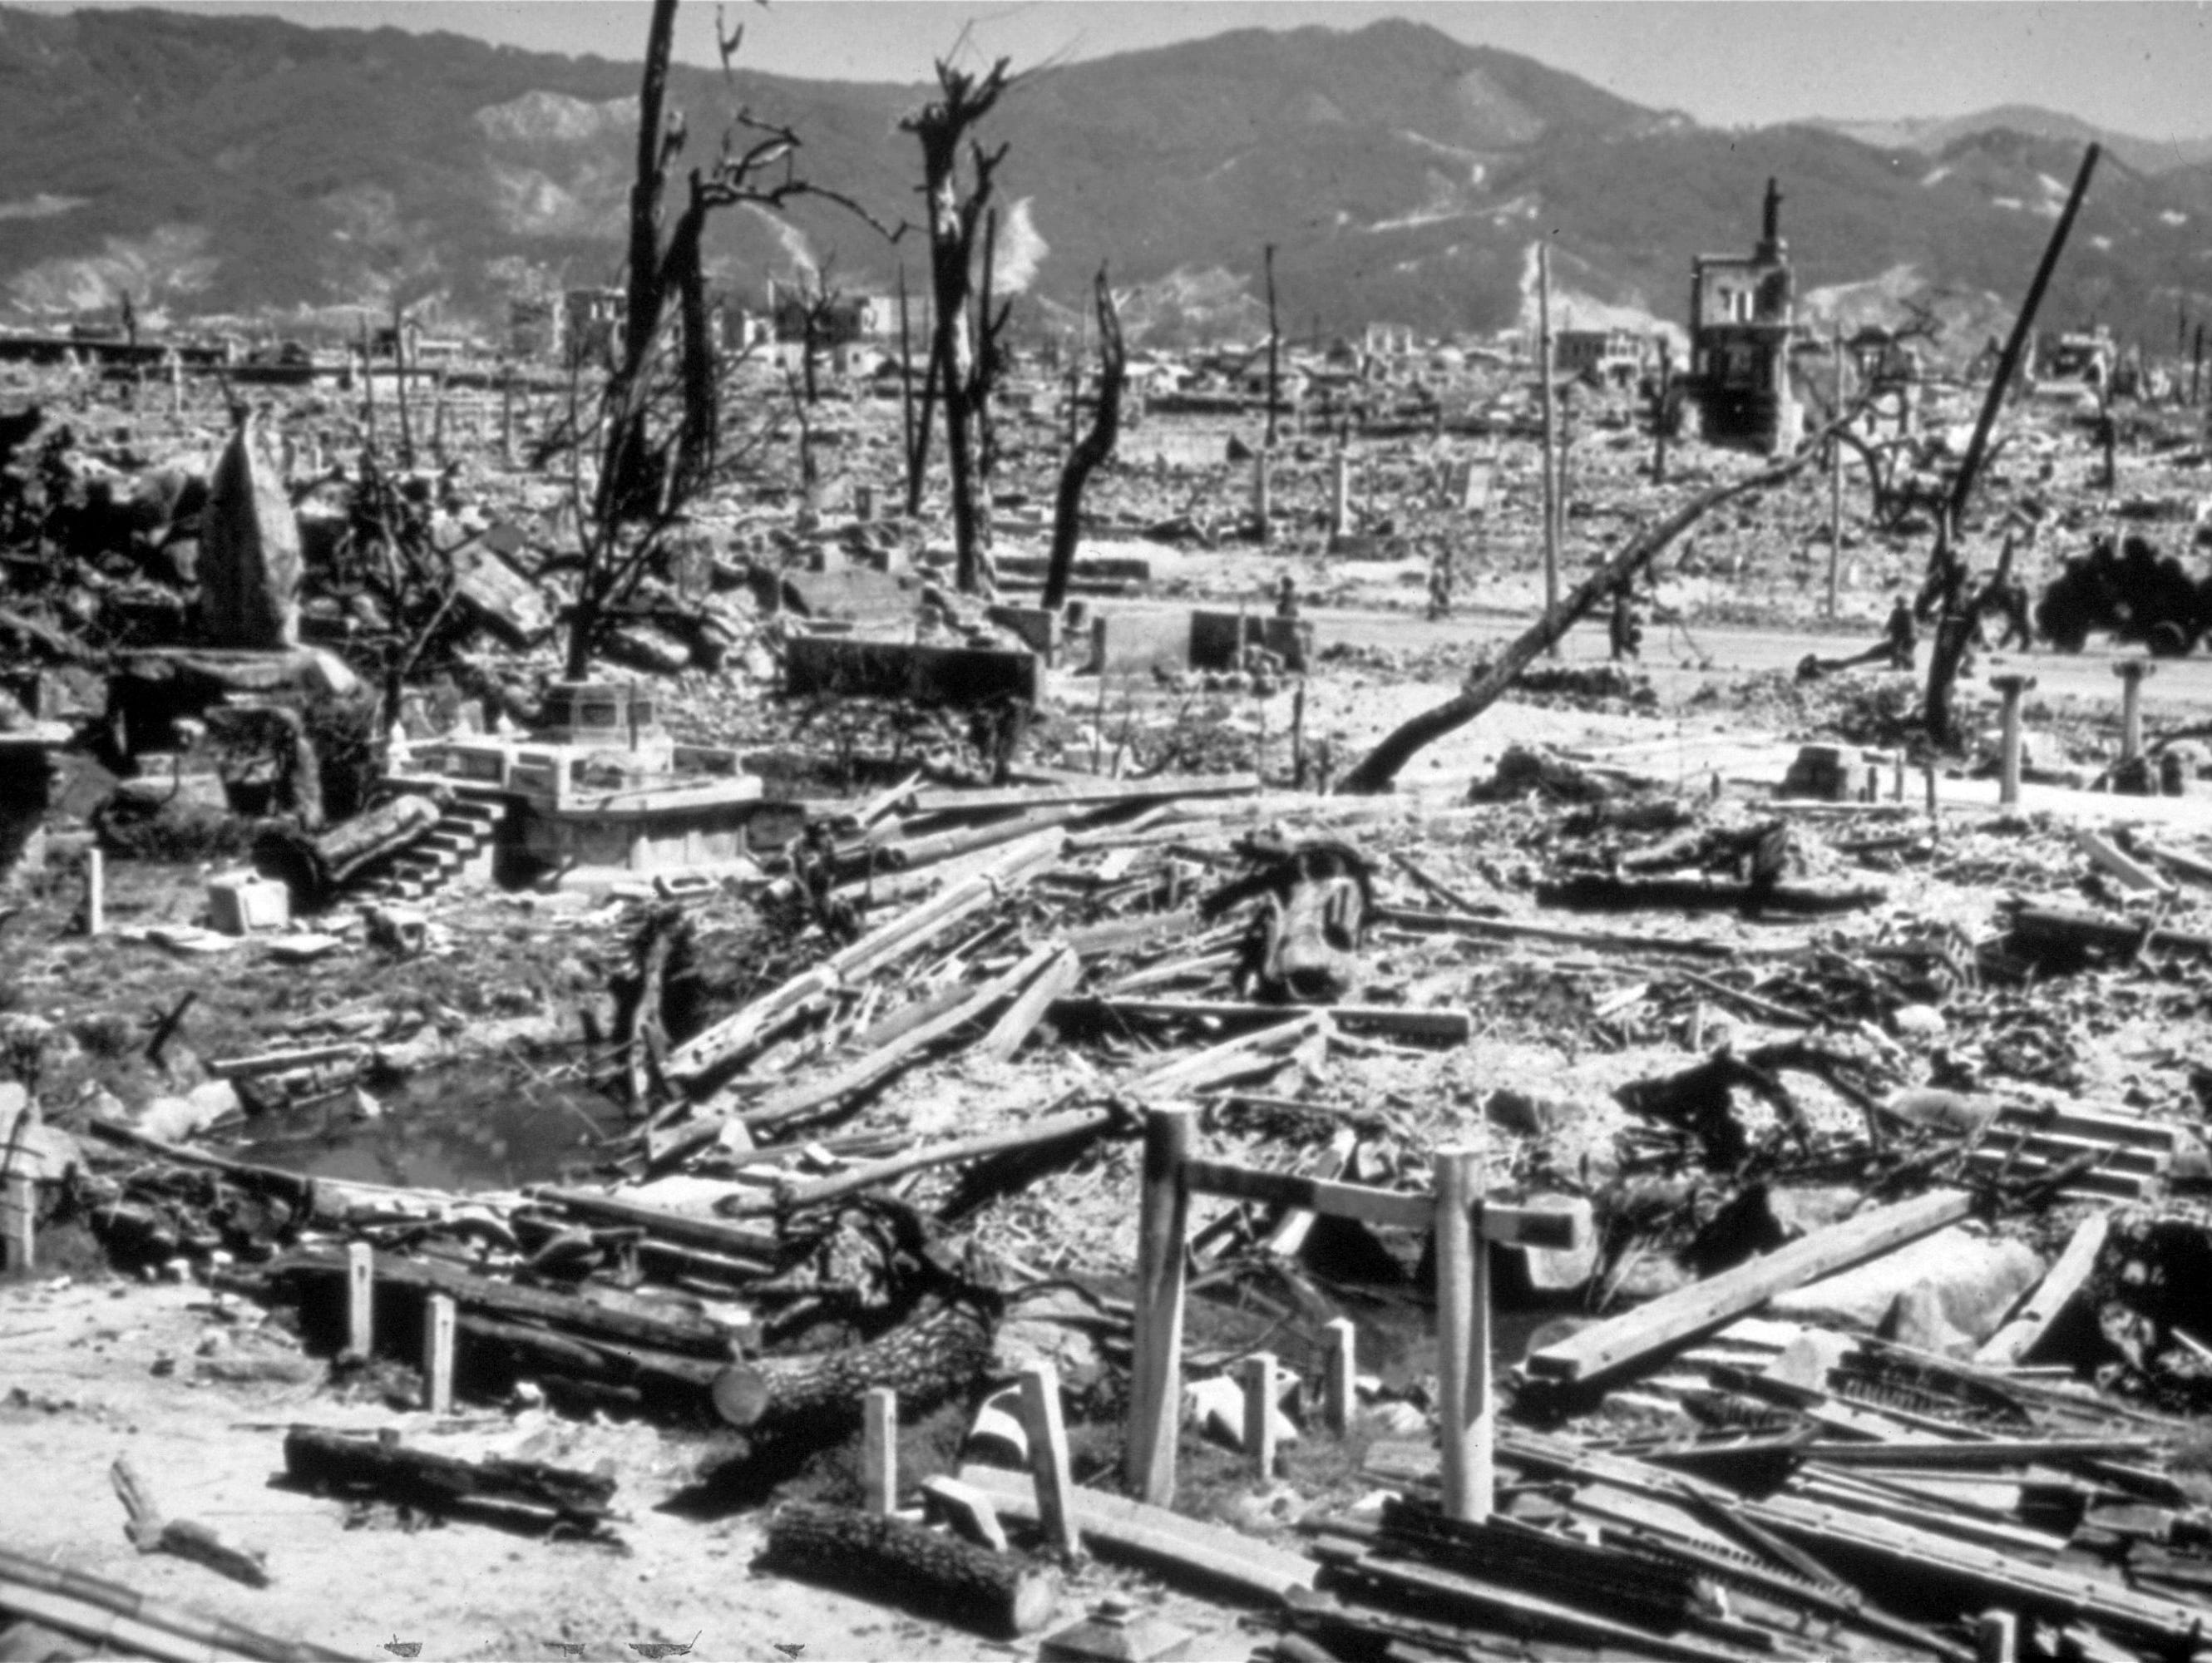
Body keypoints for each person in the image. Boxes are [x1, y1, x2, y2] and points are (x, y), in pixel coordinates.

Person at [1884, 595, 1917, 671]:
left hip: (1903, 635)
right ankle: (1901, 665)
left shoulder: (1907, 612)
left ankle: (1902, 665)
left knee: (1898, 650)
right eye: (1898, 602)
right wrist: (1887, 630)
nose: (1899, 604)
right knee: (1902, 651)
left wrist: (1887, 630)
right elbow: (1891, 622)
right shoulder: (1896, 611)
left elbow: (1909, 625)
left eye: (1900, 602)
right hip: (1901, 634)